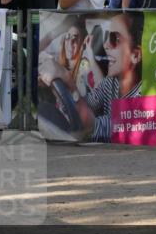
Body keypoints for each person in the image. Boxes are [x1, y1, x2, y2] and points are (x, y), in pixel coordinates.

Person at [38, 12, 144, 142]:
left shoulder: (142, 98)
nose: (105, 45)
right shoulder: (111, 83)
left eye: (115, 40)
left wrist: (69, 83)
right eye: (106, 38)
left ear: (136, 55)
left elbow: (93, 128)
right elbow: (87, 104)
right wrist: (58, 88)